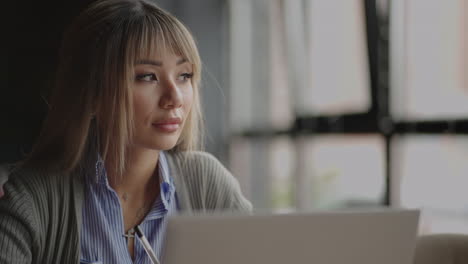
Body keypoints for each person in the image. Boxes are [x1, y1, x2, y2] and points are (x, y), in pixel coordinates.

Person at [0, 0, 252, 263]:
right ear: (93, 93)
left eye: (184, 75)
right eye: (147, 76)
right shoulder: (34, 197)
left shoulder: (208, 185)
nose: (174, 97)